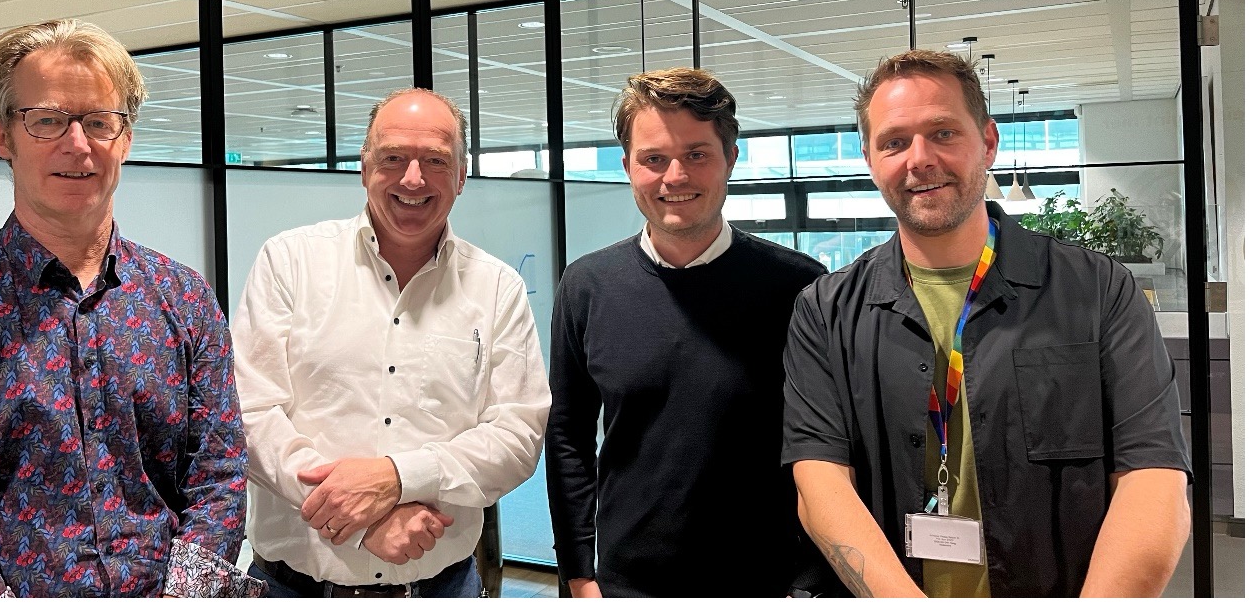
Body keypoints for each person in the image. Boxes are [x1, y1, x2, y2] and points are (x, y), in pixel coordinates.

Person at [0, 19, 259, 597]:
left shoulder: (184, 298)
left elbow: (219, 474)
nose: (77, 144)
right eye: (47, 120)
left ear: (125, 140)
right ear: (2, 137)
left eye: (99, 121)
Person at [783, 49, 1191, 597]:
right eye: (894, 142)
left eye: (943, 133)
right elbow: (820, 482)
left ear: (989, 142)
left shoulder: (1097, 290)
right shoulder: (826, 310)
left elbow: (1153, 478)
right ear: (870, 159)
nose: (919, 159)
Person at [232, 88, 551, 597]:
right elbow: (251, 413)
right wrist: (357, 516)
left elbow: (518, 434)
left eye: (436, 160)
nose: (413, 178)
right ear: (364, 168)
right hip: (293, 586)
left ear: (462, 175)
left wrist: (400, 478)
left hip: (441, 587)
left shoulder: (496, 288)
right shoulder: (289, 262)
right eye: (393, 158)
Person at [545, 68, 828, 597]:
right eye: (653, 159)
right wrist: (578, 572)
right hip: (625, 583)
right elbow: (567, 435)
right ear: (628, 166)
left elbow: (828, 447)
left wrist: (810, 583)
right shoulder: (587, 285)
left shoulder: (800, 287)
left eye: (697, 154)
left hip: (766, 581)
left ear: (731, 159)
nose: (675, 176)